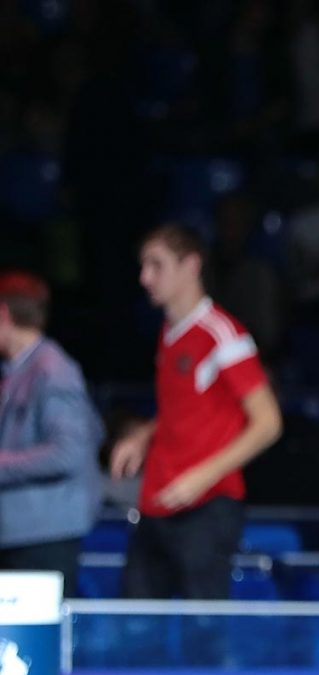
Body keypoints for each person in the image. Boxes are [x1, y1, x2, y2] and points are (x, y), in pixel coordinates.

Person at [109, 224, 282, 599]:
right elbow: (181, 406)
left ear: (190, 265)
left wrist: (200, 479)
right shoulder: (170, 332)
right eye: (143, 266)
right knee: (135, 630)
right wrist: (143, 435)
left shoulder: (222, 333)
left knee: (202, 635)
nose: (144, 277)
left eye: (156, 265)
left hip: (206, 507)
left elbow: (268, 423)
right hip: (159, 502)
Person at [0, 271, 104, 598]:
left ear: (3, 313)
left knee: (37, 644)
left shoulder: (53, 369)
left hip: (42, 537)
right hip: (19, 533)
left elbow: (68, 451)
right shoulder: (18, 369)